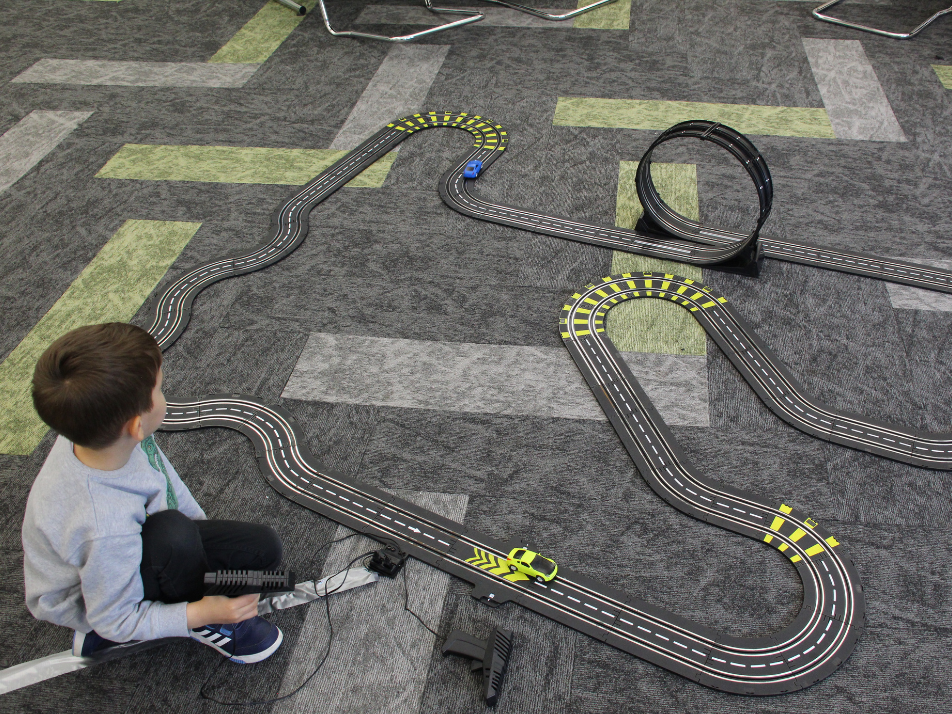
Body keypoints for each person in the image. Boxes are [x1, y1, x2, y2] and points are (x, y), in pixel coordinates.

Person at [22, 322, 284, 663]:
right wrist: (199, 612)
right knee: (174, 535)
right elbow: (115, 617)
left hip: (123, 551)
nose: (165, 395)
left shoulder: (99, 432)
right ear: (135, 423)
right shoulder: (103, 525)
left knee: (262, 551)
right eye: (160, 389)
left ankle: (177, 584)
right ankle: (108, 635)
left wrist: (198, 536)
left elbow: (161, 480)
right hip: (93, 600)